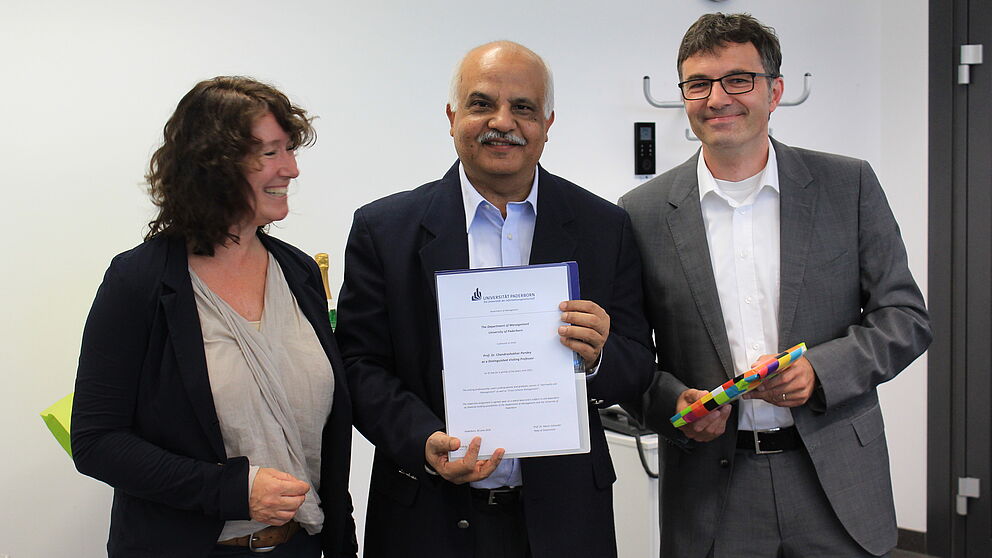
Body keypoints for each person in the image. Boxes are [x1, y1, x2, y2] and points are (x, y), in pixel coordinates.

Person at [620, 13, 932, 558]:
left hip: (836, 483)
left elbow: (905, 317)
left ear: (775, 90)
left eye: (738, 79)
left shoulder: (848, 185)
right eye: (699, 83)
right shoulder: (640, 213)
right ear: (685, 96)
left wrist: (821, 372)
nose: (718, 98)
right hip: (713, 492)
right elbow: (629, 356)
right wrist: (676, 403)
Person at [335, 41, 654, 558]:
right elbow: (359, 365)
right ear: (452, 115)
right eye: (482, 104)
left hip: (565, 521)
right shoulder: (384, 229)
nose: (502, 122)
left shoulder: (604, 227)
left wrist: (600, 357)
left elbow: (638, 364)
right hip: (427, 517)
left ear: (548, 123)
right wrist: (423, 441)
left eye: (523, 108)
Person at [71, 76, 357, 558]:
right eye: (269, 152)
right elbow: (97, 441)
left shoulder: (300, 273)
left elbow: (326, 447)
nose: (290, 169)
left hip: (300, 547)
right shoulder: (138, 280)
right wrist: (233, 490)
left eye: (289, 150)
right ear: (212, 166)